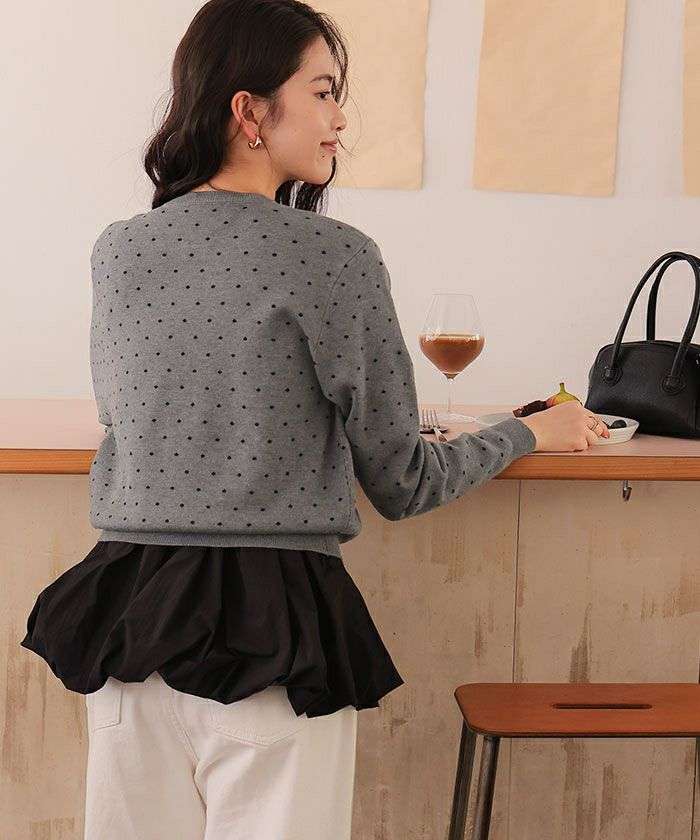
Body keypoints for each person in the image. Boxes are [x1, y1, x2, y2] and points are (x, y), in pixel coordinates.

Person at [19, 1, 610, 837]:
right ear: (250, 111)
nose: (340, 119)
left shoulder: (120, 248)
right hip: (276, 635)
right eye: (324, 92)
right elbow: (403, 481)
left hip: (128, 626)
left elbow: (128, 415)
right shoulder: (335, 256)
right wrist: (529, 432)